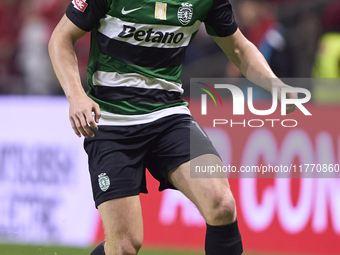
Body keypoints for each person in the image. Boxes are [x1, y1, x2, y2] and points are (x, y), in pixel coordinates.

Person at [48, 1, 297, 255]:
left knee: (221, 203)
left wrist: (275, 85)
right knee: (124, 247)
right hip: (112, 122)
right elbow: (61, 38)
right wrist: (76, 95)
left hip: (169, 116)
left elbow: (238, 47)